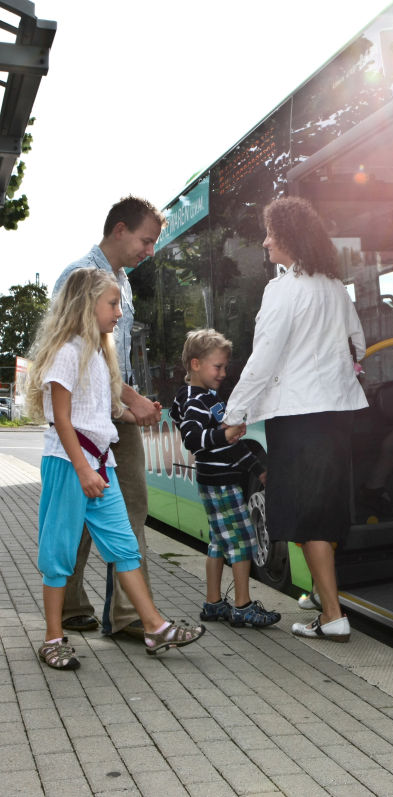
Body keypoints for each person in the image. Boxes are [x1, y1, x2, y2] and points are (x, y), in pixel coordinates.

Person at [26, 268, 205, 669]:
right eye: (112, 304)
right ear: (85, 305)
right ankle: (53, 638)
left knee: (125, 547)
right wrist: (84, 470)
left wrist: (132, 413)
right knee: (59, 553)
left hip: (98, 466)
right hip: (70, 465)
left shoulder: (96, 354)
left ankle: (155, 627)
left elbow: (99, 410)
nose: (119, 313)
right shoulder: (67, 352)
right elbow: (62, 419)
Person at [223, 196, 369, 642]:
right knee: (323, 512)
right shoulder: (334, 286)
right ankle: (322, 597)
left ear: (289, 238)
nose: (265, 242)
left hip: (299, 416)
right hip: (338, 412)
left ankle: (331, 615)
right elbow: (358, 346)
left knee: (306, 519)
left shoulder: (283, 290)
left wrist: (235, 414)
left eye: (271, 234)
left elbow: (263, 359)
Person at [53, 196, 164, 639]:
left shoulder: (123, 282)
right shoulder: (79, 275)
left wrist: (130, 400)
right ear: (119, 230)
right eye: (146, 240)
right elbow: (78, 352)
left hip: (115, 411)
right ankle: (69, 604)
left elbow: (114, 355)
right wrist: (133, 397)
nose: (149, 251)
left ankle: (128, 615)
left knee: (131, 504)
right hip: (83, 415)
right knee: (79, 509)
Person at [169, 328, 281, 629]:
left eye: (224, 367)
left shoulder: (208, 397)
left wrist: (257, 469)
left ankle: (214, 603)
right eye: (217, 367)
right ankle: (242, 606)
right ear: (195, 364)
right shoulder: (195, 400)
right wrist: (225, 433)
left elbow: (231, 445)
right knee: (243, 540)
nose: (223, 373)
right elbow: (193, 439)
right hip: (219, 481)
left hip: (217, 479)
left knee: (218, 542)